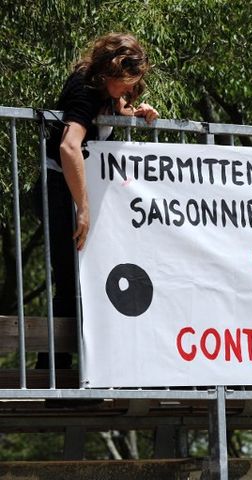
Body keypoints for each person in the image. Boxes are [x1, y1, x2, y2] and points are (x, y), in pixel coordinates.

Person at [35, 33, 159, 369]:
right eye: (125, 84)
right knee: (70, 279)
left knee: (87, 277)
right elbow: (69, 146)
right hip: (60, 191)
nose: (128, 91)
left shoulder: (104, 92)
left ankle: (77, 370)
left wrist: (134, 113)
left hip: (75, 191)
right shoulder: (84, 90)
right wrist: (84, 209)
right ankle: (53, 373)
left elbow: (112, 111)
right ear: (109, 72)